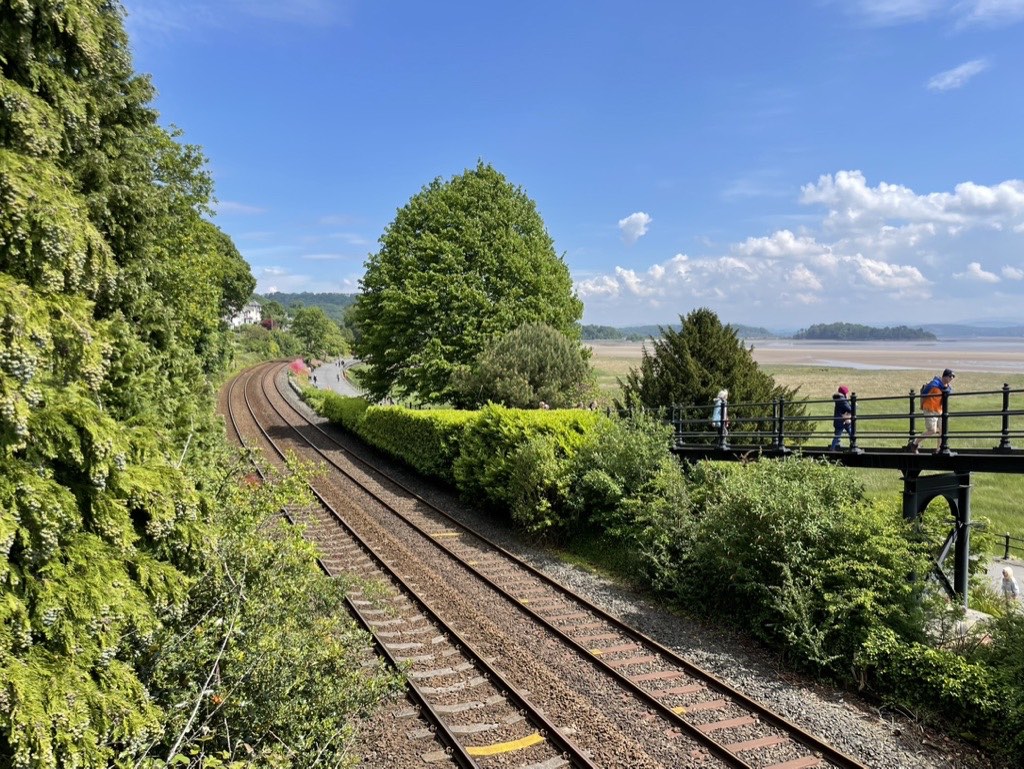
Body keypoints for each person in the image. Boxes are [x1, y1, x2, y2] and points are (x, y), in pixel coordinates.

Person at [907, 368, 955, 454]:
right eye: (950, 376)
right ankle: (914, 444)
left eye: (953, 377)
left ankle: (939, 449)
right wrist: (923, 404)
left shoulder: (947, 386)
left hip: (939, 410)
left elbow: (950, 391)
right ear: (944, 376)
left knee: (943, 430)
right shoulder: (934, 384)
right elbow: (924, 392)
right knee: (932, 430)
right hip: (930, 408)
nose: (951, 378)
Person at [830, 385, 852, 451]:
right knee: (838, 435)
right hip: (842, 421)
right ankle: (832, 449)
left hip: (840, 420)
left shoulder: (839, 400)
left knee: (848, 432)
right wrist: (854, 406)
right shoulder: (842, 400)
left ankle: (834, 447)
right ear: (844, 393)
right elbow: (849, 409)